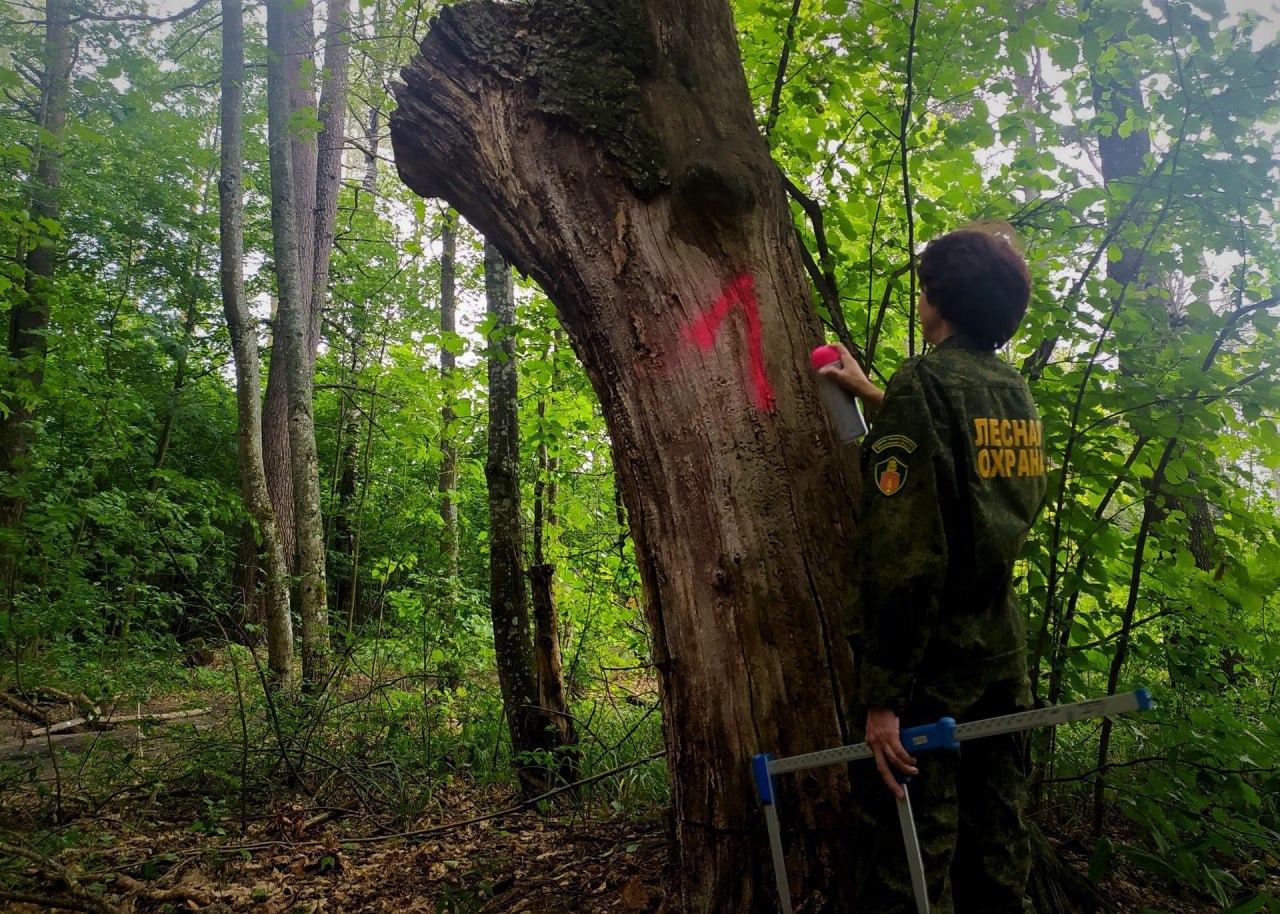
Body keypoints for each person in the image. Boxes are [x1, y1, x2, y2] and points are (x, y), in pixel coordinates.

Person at [819, 226, 1046, 914]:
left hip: (932, 672)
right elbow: (965, 467)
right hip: (1002, 661)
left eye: (923, 289)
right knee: (1000, 849)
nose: (919, 300)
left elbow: (906, 554)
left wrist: (883, 695)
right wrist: (874, 396)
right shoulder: (1011, 390)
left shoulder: (924, 381)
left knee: (912, 860)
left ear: (939, 302)